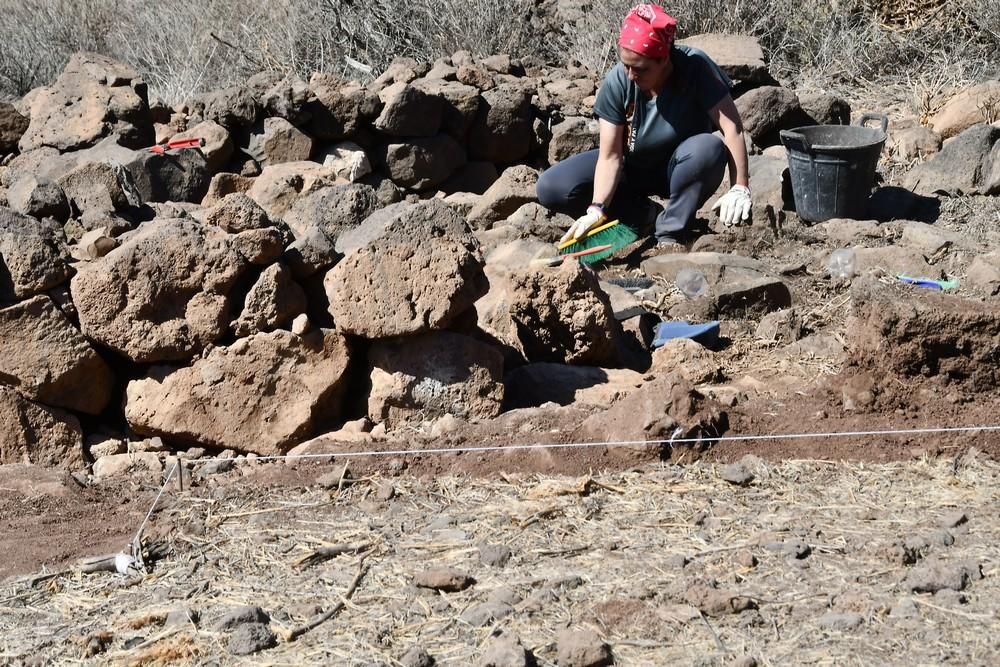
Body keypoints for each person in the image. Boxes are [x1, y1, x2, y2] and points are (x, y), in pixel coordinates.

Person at [536, 3, 752, 250]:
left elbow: (732, 127)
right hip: (632, 167)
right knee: (552, 186)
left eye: (639, 68)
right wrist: (596, 209)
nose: (630, 75)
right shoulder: (619, 81)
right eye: (626, 65)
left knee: (709, 147)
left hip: (681, 168)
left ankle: (670, 232)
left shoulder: (695, 68)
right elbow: (611, 156)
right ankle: (643, 217)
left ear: (664, 58)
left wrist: (740, 186)